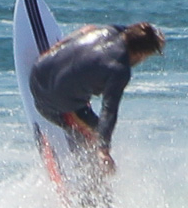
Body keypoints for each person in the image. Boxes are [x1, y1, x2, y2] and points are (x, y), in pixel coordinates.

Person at [28, 21, 165, 168]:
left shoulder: (110, 30)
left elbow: (122, 30)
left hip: (37, 71)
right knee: (95, 135)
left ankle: (58, 52)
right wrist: (103, 150)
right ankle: (91, 180)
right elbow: (109, 111)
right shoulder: (119, 69)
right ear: (140, 53)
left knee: (89, 30)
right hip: (51, 105)